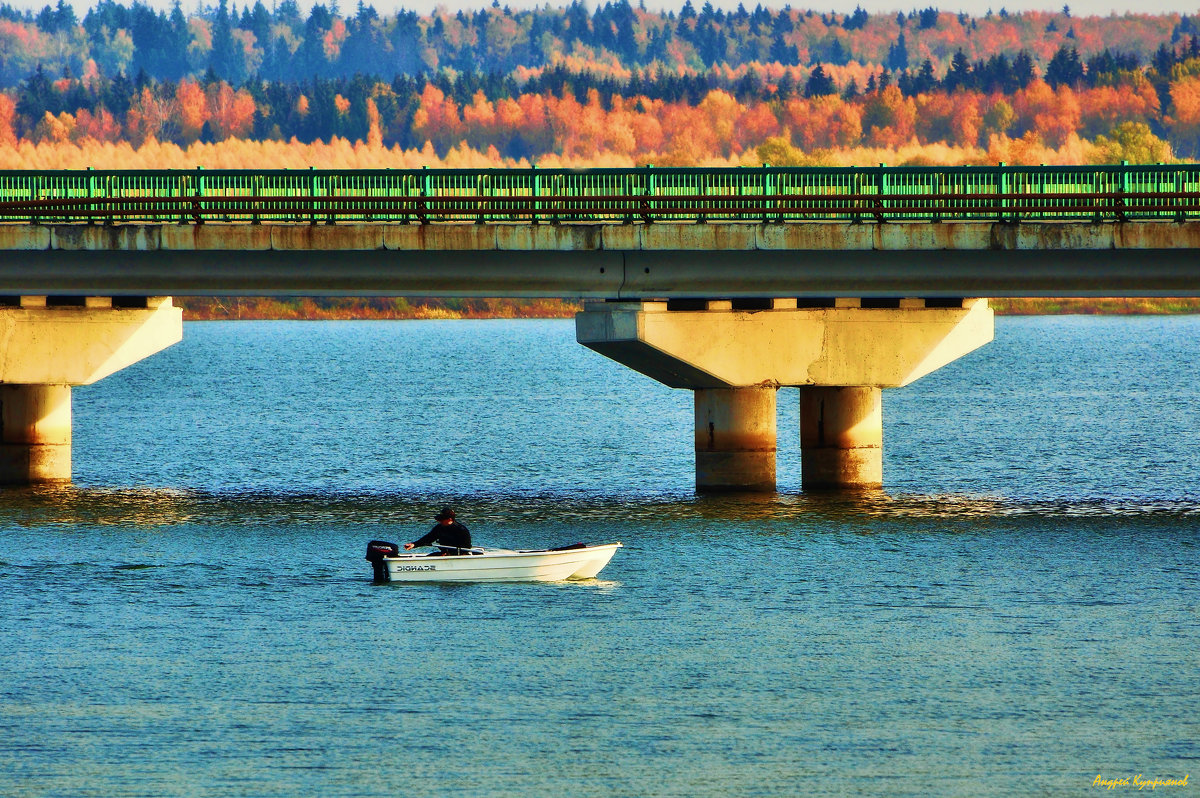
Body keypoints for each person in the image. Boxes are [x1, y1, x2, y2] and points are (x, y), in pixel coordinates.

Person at [404, 507, 473, 555]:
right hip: (445, 553)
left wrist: (456, 555)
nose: (440, 521)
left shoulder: (461, 529)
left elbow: (467, 546)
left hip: (458, 555)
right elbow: (428, 538)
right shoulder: (439, 528)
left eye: (442, 519)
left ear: (449, 519)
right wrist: (414, 544)